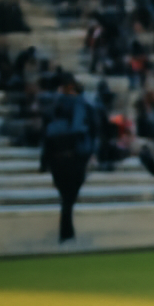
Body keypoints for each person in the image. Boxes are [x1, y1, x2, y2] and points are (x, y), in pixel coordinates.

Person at [40, 72, 100, 244]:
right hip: (76, 155)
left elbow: (45, 135)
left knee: (66, 196)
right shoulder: (83, 104)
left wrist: (44, 161)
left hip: (56, 157)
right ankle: (67, 233)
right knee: (69, 196)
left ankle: (67, 232)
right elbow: (94, 129)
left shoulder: (53, 104)